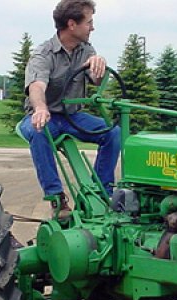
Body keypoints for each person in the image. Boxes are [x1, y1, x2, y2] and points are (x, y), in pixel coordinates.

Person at [19, 0, 121, 219]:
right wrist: (40, 109)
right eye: (89, 22)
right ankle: (57, 199)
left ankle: (102, 192)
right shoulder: (43, 54)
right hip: (45, 116)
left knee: (113, 132)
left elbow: (95, 80)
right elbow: (37, 86)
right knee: (39, 131)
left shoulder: (86, 49)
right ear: (72, 24)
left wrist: (98, 66)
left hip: (72, 116)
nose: (92, 27)